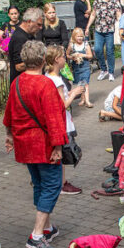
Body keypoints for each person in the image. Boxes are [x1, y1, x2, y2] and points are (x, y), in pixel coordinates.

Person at [4, 41, 68, 248]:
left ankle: (47, 228)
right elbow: (53, 117)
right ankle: (37, 235)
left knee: (39, 183)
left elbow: (10, 111)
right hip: (44, 144)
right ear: (43, 60)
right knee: (52, 184)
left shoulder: (17, 82)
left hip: (25, 143)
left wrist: (9, 134)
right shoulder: (45, 84)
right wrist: (58, 145)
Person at [45, 45, 86, 197]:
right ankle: (60, 183)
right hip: (62, 121)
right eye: (63, 56)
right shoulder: (57, 80)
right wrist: (74, 93)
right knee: (61, 153)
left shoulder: (47, 76)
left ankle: (58, 182)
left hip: (56, 121)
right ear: (57, 59)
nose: (65, 59)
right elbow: (62, 105)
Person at [89, 0, 123, 81]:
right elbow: (93, 14)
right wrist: (87, 27)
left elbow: (118, 14)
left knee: (109, 51)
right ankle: (104, 69)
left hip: (110, 30)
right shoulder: (97, 1)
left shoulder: (114, 1)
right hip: (99, 30)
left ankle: (111, 72)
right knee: (98, 49)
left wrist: (120, 25)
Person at [9, 8, 44, 84]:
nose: (40, 28)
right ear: (29, 22)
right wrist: (41, 61)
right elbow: (18, 66)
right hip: (22, 84)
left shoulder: (29, 35)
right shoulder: (19, 38)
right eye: (38, 24)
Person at [68, 27, 94, 108]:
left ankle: (87, 101)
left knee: (85, 84)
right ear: (74, 37)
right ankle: (83, 99)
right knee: (80, 84)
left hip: (85, 67)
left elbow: (90, 56)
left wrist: (83, 55)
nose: (80, 38)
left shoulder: (85, 45)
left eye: (81, 36)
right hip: (76, 67)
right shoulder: (72, 45)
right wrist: (72, 57)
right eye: (78, 36)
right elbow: (67, 54)